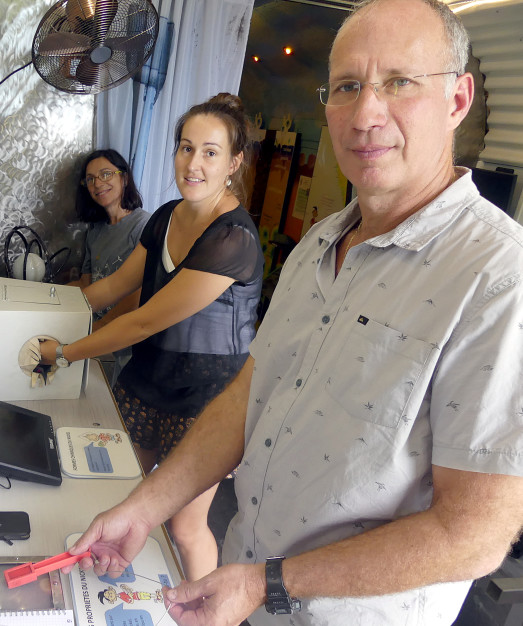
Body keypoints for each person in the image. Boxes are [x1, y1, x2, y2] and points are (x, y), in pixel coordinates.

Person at [61, 1, 523, 624]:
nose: (366, 114)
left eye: (400, 82)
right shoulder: (319, 243)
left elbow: (473, 535)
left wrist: (269, 583)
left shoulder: (498, 278)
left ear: (457, 100)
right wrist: (143, 509)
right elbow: (247, 396)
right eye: (348, 87)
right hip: (246, 584)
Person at [41, 93, 264, 581]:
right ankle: (121, 592)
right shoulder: (166, 215)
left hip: (205, 398)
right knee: (123, 493)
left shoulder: (233, 238)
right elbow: (113, 287)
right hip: (148, 378)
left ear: (234, 162)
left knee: (185, 526)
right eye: (186, 148)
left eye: (210, 152)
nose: (193, 163)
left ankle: (203, 608)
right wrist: (47, 312)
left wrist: (65, 353)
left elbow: (145, 320)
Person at [73, 150, 150, 381]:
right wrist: (47, 297)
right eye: (90, 179)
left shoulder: (144, 225)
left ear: (124, 178)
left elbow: (138, 294)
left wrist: (101, 329)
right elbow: (86, 283)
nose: (98, 184)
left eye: (106, 174)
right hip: (97, 335)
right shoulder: (95, 231)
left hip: (126, 341)